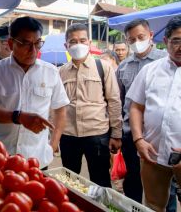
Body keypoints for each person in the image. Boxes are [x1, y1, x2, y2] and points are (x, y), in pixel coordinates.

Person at [0, 17, 69, 169]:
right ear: (10, 43)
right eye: (26, 44)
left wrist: (52, 145)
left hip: (37, 159)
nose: (33, 50)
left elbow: (60, 110)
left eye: (37, 44)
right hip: (2, 156)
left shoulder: (51, 71)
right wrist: (19, 117)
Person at [127, 15, 181, 211]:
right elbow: (136, 107)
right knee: (152, 205)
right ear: (166, 41)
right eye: (176, 40)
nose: (180, 46)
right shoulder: (150, 70)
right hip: (152, 155)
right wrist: (138, 139)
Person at [59, 23, 122, 187]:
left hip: (97, 134)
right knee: (69, 179)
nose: (78, 44)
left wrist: (116, 134)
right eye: (73, 41)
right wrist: (54, 135)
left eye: (82, 40)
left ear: (89, 42)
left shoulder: (103, 67)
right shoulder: (60, 72)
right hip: (68, 134)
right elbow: (55, 106)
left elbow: (114, 101)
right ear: (66, 45)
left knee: (101, 179)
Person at [116, 18, 167, 203]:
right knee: (133, 182)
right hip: (131, 136)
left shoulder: (166, 61)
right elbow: (119, 102)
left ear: (151, 35)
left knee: (163, 186)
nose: (136, 42)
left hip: (159, 135)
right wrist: (118, 132)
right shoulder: (123, 67)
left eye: (141, 37)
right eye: (131, 40)